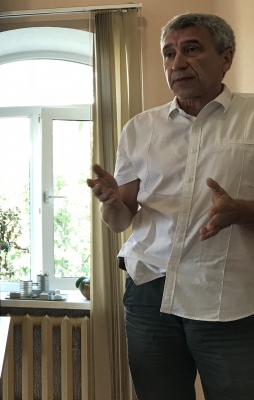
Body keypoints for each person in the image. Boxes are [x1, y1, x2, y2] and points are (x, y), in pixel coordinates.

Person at [87, 13, 254, 400]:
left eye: (191, 49)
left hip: (227, 295)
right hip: (149, 292)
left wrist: (242, 212)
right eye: (168, 53)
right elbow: (120, 221)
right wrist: (112, 201)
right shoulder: (139, 128)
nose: (177, 62)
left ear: (226, 57)